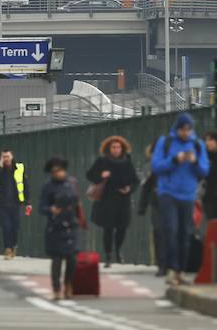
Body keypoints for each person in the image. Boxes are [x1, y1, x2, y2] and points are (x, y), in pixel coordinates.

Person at [152, 112, 210, 285]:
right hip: (168, 192)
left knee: (186, 232)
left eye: (188, 129)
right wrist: (175, 160)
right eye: (182, 129)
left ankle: (181, 270)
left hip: (188, 194)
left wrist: (193, 162)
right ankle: (172, 268)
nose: (185, 133)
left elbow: (204, 170)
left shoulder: (198, 145)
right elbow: (156, 166)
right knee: (171, 229)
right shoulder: (166, 142)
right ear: (177, 129)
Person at [86, 136, 139, 268]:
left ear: (123, 148)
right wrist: (101, 176)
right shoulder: (102, 161)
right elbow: (90, 175)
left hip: (123, 199)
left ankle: (118, 251)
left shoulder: (127, 162)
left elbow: (135, 180)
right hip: (107, 199)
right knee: (108, 228)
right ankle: (109, 256)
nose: (116, 149)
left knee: (122, 227)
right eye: (113, 147)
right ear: (108, 149)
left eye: (119, 147)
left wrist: (129, 189)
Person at [39, 157, 81, 300]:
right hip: (55, 226)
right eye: (55, 171)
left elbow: (77, 202)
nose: (58, 173)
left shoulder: (71, 184)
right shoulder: (48, 187)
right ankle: (56, 288)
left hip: (71, 224)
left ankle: (68, 284)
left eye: (60, 170)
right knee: (56, 259)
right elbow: (41, 207)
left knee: (72, 259)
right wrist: (51, 209)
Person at [0, 149, 31, 260]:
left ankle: (14, 245)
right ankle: (7, 249)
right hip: (2, 203)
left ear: (11, 157)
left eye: (7, 156)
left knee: (15, 227)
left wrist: (28, 202)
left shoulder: (19, 168)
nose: (6, 159)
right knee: (6, 227)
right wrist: (0, 166)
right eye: (4, 157)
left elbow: (25, 185)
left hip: (15, 203)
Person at [137, 139, 167, 277]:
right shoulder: (153, 167)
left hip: (176, 202)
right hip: (157, 203)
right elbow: (147, 186)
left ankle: (173, 264)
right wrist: (142, 207)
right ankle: (162, 264)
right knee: (159, 231)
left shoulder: (176, 164)